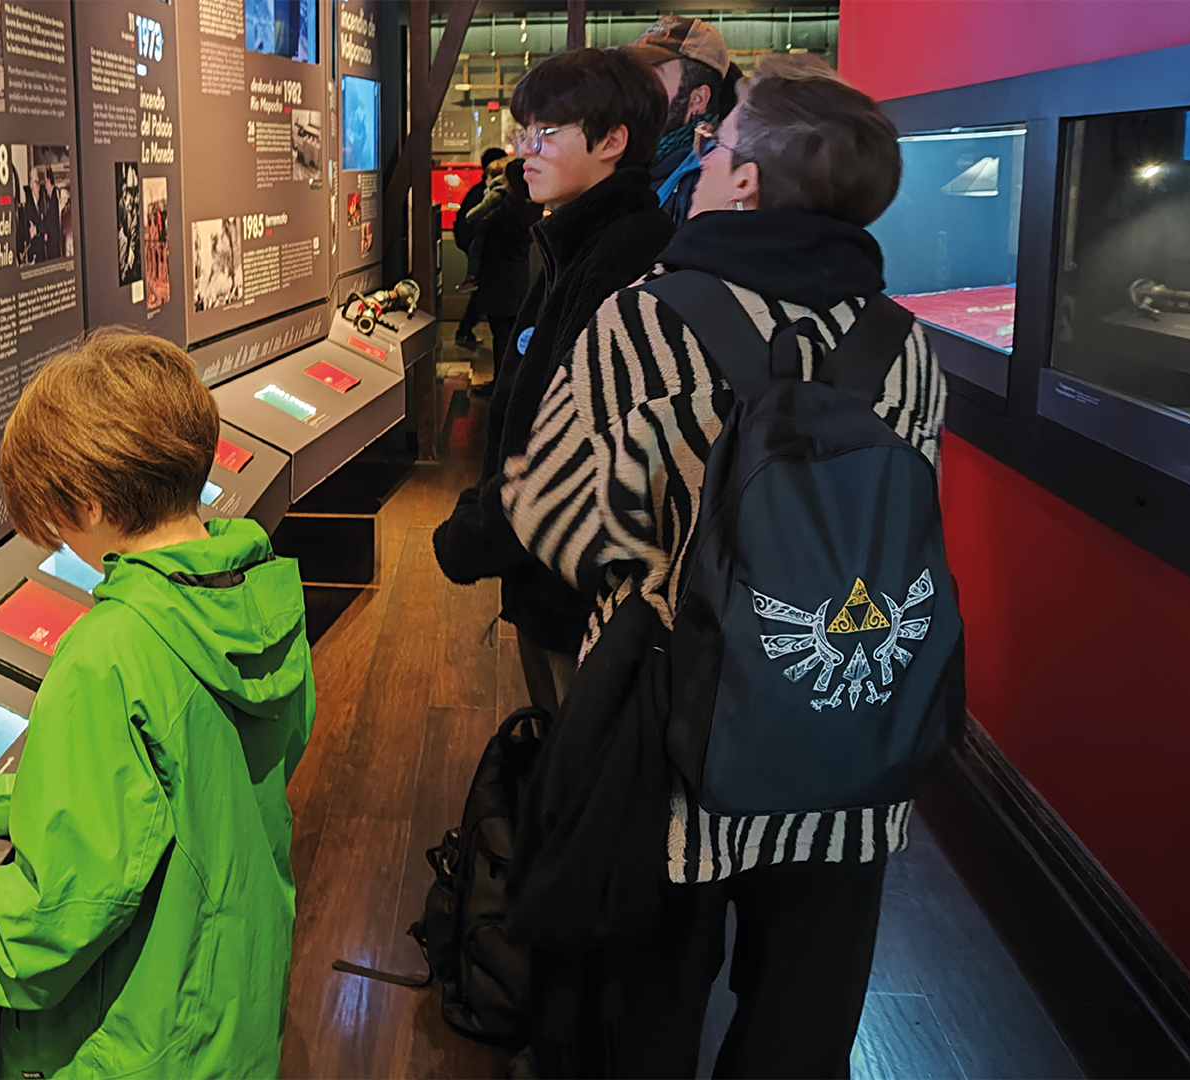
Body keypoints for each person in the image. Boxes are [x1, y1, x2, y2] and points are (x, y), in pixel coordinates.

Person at [502, 64, 945, 1077]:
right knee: (802, 1018)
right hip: (851, 724)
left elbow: (558, 518)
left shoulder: (644, 323)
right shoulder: (904, 345)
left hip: (675, 733)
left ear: (747, 184)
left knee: (646, 1001)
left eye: (717, 144)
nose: (699, 160)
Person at [0, 329, 316, 1080]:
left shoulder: (108, 653)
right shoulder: (260, 591)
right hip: (229, 1014)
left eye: (55, 515)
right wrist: (26, 799)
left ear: (89, 502)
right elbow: (193, 781)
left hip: (137, 1046)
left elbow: (42, 931)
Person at [431, 47, 675, 713]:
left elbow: (569, 444)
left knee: (571, 768)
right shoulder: (581, 244)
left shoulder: (620, 257)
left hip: (577, 591)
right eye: (522, 132)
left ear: (612, 142)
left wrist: (471, 535)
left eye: (545, 133)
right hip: (548, 570)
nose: (524, 151)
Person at [624, 16, 742, 228]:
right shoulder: (626, 157)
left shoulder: (706, 179)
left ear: (697, 99)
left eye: (653, 76)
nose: (636, 86)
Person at [457, 157, 539, 392]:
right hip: (517, 277)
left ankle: (502, 385)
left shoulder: (506, 208)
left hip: (499, 279)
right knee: (514, 333)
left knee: (501, 335)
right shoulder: (531, 207)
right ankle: (513, 382)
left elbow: (480, 225)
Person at [453, 146, 512, 348]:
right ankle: (464, 330)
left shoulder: (480, 191)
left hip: (482, 251)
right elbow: (475, 220)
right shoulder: (495, 195)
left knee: (482, 294)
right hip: (487, 253)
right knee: (484, 295)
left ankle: (464, 330)